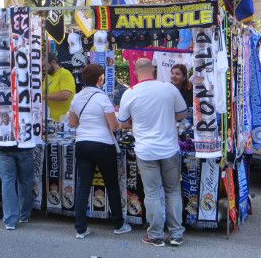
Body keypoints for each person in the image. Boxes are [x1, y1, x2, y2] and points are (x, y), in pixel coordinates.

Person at [118, 58, 187, 247]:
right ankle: (176, 234)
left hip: (146, 150)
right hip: (170, 149)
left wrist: (136, 122)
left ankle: (155, 235)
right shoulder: (169, 89)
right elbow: (182, 113)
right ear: (154, 70)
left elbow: (122, 123)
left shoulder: (130, 93)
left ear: (135, 71)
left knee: (153, 193)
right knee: (173, 190)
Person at [68, 64, 132, 239]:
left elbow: (72, 123)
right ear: (100, 78)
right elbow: (113, 126)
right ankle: (118, 224)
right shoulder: (103, 98)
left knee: (83, 185)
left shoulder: (77, 97)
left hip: (82, 143)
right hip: (103, 144)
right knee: (111, 184)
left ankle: (80, 228)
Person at [0, 88, 34, 230]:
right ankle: (24, 214)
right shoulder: (26, 90)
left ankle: (10, 220)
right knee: (25, 180)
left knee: (8, 181)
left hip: (3, 146)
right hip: (24, 144)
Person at [43, 52, 76, 122]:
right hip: (49, 120)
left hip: (63, 120)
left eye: (45, 66)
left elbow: (65, 95)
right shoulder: (48, 77)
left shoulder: (65, 74)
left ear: (53, 62)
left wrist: (43, 96)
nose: (43, 68)